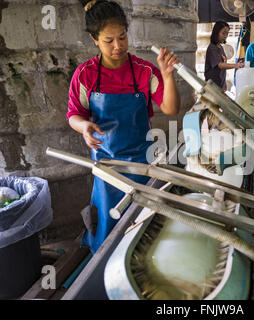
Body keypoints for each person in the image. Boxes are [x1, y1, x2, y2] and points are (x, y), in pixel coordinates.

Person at [67, 0, 180, 253]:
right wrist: (84, 126)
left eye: (122, 37)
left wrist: (167, 75)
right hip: (108, 167)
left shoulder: (143, 71)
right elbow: (74, 115)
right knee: (108, 225)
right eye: (108, 40)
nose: (118, 46)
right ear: (94, 39)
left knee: (144, 226)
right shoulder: (85, 75)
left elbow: (170, 108)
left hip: (143, 164)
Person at [204, 21, 244, 90]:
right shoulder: (212, 48)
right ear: (216, 33)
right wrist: (236, 65)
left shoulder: (220, 47)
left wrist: (223, 82)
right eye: (223, 33)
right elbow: (220, 65)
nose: (225, 36)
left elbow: (223, 66)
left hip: (220, 84)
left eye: (227, 33)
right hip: (213, 85)